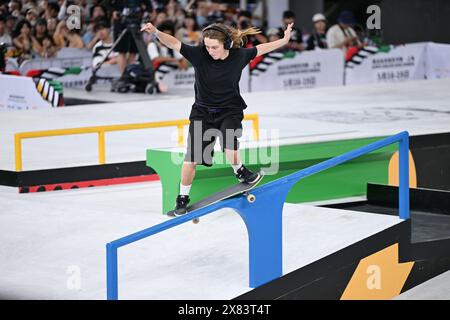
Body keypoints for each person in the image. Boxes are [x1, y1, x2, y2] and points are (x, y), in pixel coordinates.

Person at [141, 20, 294, 216]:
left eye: (214, 47)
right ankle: (182, 198)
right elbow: (173, 43)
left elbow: (264, 47)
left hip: (229, 110)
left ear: (227, 45)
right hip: (202, 113)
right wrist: (155, 32)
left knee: (230, 144)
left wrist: (285, 39)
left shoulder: (239, 56)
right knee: (192, 158)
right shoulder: (199, 55)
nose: (210, 51)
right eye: (207, 46)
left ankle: (239, 171)